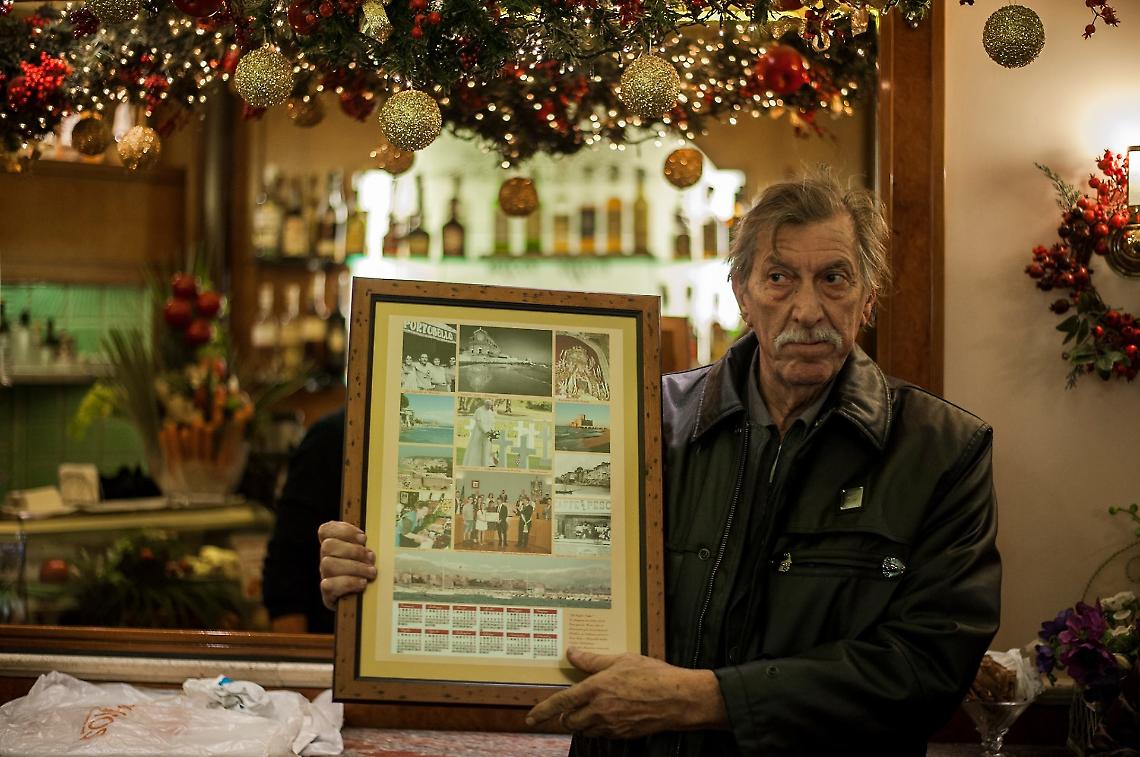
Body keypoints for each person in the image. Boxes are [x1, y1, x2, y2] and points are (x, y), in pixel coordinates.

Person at [316, 173, 1001, 755]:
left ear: (870, 296)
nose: (807, 308)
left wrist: (707, 699)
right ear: (741, 292)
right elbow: (531, 570)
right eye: (779, 277)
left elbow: (928, 665)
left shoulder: (941, 449)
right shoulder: (641, 421)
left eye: (834, 278)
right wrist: (386, 579)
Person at [462, 399, 497, 467]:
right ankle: (475, 464)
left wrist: (492, 432)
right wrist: (485, 431)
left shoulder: (490, 412)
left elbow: (492, 423)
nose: (489, 407)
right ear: (485, 404)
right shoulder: (479, 410)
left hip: (488, 434)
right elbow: (479, 423)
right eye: (488, 405)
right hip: (479, 432)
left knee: (487, 449)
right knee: (476, 447)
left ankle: (485, 463)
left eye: (490, 405)